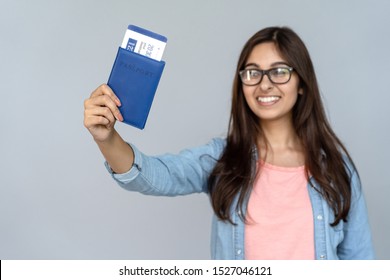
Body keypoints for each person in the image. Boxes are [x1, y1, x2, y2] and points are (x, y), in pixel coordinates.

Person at [83, 26, 375, 260]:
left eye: (279, 71)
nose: (264, 84)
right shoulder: (223, 158)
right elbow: (155, 175)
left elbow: (360, 260)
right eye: (253, 72)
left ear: (301, 83)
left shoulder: (337, 168)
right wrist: (107, 138)